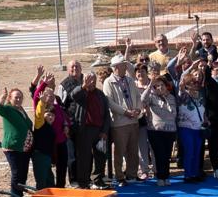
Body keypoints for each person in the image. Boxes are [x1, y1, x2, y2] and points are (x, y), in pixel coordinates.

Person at [103, 55, 141, 186]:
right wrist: (125, 112)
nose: (125, 67)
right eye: (123, 65)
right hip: (119, 122)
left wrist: (138, 109)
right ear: (116, 67)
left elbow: (137, 96)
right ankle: (119, 176)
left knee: (133, 150)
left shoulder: (130, 80)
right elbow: (109, 102)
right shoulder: (108, 82)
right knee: (119, 150)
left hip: (134, 120)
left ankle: (132, 174)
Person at [69, 70, 110, 189]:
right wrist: (83, 86)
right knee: (84, 157)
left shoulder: (100, 94)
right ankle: (84, 182)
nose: (91, 82)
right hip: (84, 130)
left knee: (100, 156)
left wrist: (104, 131)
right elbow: (73, 95)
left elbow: (106, 114)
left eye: (93, 80)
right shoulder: (81, 92)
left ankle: (98, 180)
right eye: (88, 80)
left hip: (99, 131)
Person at [0, 86, 33, 197]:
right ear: (10, 99)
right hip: (13, 147)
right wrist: (2, 98)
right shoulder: (8, 109)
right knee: (17, 174)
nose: (18, 99)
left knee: (23, 174)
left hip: (24, 147)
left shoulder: (21, 109)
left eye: (20, 97)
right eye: (16, 97)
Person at [141, 74, 178, 186]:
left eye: (162, 85)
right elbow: (142, 100)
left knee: (166, 155)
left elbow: (175, 113)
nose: (160, 87)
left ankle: (166, 176)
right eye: (157, 86)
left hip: (170, 130)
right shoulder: (151, 97)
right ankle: (160, 177)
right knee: (159, 154)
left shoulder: (171, 97)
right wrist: (150, 85)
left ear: (166, 86)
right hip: (156, 130)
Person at [176, 72, 207, 183]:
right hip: (186, 128)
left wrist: (205, 120)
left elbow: (202, 111)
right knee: (189, 151)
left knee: (197, 151)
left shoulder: (199, 96)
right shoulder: (183, 95)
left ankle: (195, 173)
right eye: (192, 82)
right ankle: (188, 175)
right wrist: (182, 85)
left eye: (196, 82)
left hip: (198, 128)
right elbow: (180, 86)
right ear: (187, 84)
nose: (195, 84)